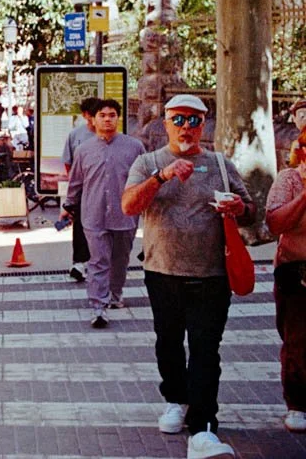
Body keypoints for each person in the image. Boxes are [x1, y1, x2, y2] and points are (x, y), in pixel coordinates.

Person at [121, 94, 251, 458]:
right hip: (162, 271)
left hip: (211, 275)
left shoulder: (221, 165)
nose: (186, 128)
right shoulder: (148, 162)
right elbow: (128, 205)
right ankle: (175, 399)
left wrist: (240, 207)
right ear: (165, 123)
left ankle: (204, 428)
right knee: (168, 342)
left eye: (194, 121)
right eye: (178, 120)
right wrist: (161, 177)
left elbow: (251, 210)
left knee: (206, 350)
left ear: (204, 126)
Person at [63, 98, 144, 329]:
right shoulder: (83, 150)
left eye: (112, 115)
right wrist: (68, 206)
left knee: (120, 260)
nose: (107, 119)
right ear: (93, 119)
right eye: (102, 115)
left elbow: (145, 180)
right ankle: (98, 307)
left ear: (118, 118)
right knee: (98, 261)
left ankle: (115, 295)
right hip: (93, 215)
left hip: (125, 215)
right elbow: (76, 182)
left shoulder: (134, 147)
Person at [265, 125, 306, 433]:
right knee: (297, 341)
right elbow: (275, 222)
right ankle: (297, 403)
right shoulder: (288, 180)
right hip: (296, 271)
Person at [63, 96, 101, 282]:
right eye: (94, 115)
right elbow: (68, 163)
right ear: (86, 115)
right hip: (83, 190)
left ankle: (99, 262)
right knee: (80, 225)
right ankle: (79, 262)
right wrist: (74, 187)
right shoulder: (76, 135)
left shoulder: (109, 135)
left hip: (103, 190)